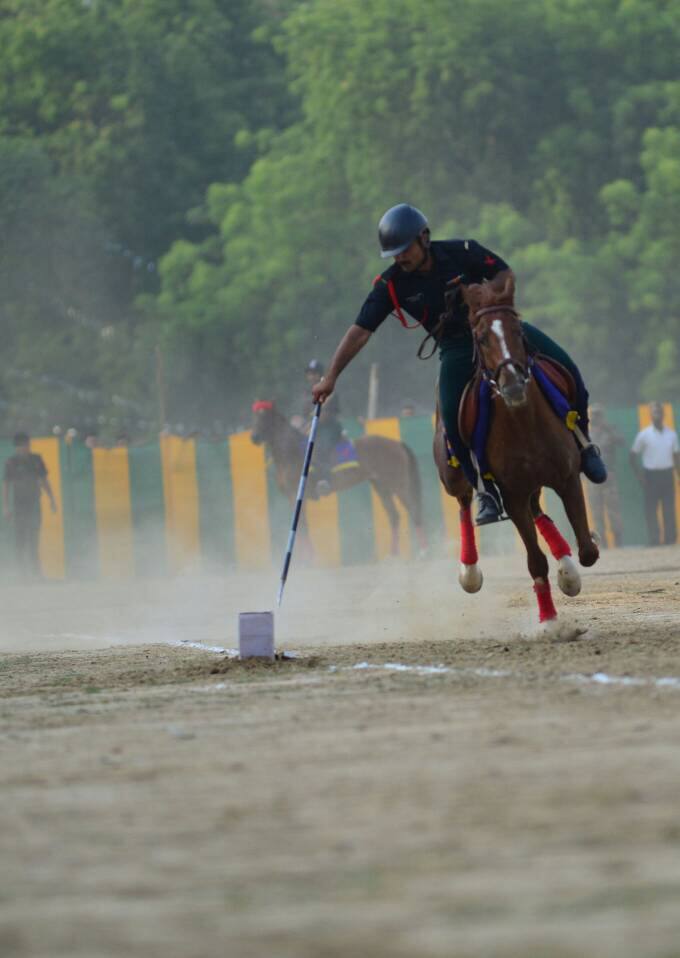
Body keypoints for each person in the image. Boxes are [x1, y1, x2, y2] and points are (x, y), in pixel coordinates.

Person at [312, 203, 607, 524]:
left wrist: (489, 291)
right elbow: (360, 332)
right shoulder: (391, 284)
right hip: (455, 346)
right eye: (393, 253)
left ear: (424, 237)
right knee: (451, 417)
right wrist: (330, 377)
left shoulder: (462, 251)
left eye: (404, 249)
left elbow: (505, 274)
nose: (400, 257)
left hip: (497, 328)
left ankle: (585, 445)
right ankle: (485, 491)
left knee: (567, 367)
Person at [3, 432, 57, 577]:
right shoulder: (11, 462)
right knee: (20, 540)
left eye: (27, 444)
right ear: (17, 447)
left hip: (34, 504)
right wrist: (6, 506)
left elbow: (44, 480)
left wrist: (51, 498)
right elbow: (7, 485)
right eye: (23, 445)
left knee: (34, 539)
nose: (26, 447)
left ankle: (36, 573)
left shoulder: (36, 460)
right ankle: (22, 574)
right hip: (19, 506)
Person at [629, 402, 679, 546]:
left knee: (669, 508)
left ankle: (670, 539)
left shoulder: (671, 434)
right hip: (650, 475)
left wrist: (678, 474)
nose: (657, 414)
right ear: (650, 415)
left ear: (663, 415)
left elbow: (676, 456)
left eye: (659, 412)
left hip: (667, 474)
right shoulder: (644, 435)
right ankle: (654, 540)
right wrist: (640, 476)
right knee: (651, 509)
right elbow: (632, 456)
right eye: (654, 412)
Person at [298, 359, 344, 496]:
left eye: (314, 373)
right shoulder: (306, 393)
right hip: (312, 428)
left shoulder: (329, 389)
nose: (311, 376)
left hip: (330, 428)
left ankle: (325, 480)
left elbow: (328, 414)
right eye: (309, 373)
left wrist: (312, 424)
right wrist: (301, 424)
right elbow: (304, 414)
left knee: (321, 446)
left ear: (320, 375)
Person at [588, 404, 624, 547]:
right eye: (593, 414)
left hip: (609, 476)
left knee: (613, 510)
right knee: (596, 511)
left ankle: (618, 541)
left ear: (602, 416)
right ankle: (602, 544)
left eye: (598, 414)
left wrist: (607, 429)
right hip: (592, 478)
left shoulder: (610, 430)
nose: (595, 417)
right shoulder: (586, 432)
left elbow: (621, 441)